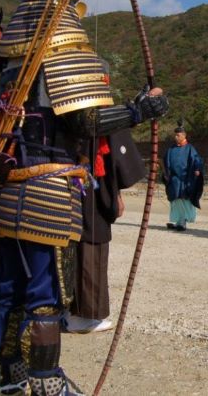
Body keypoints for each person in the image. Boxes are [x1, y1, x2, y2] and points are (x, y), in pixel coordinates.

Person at [0, 0, 168, 395]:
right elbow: (82, 123)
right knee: (44, 291)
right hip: (45, 189)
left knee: (9, 286)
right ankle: (45, 381)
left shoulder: (5, 65)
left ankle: (11, 377)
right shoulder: (53, 54)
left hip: (7, 189)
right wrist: (138, 110)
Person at [66, 129, 145, 333]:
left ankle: (68, 310)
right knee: (91, 238)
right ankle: (82, 315)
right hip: (88, 184)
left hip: (64, 180)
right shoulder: (95, 115)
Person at [163, 120, 204, 231]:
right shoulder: (171, 149)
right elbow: (166, 162)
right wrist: (166, 174)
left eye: (178, 135)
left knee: (184, 199)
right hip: (174, 179)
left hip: (186, 179)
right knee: (176, 199)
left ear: (184, 135)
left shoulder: (190, 148)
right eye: (175, 135)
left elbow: (196, 159)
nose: (176, 137)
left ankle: (184, 221)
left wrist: (197, 168)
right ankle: (178, 221)